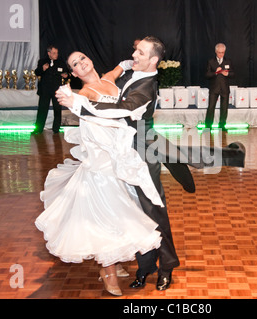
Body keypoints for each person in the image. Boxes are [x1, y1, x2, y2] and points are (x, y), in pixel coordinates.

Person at [57, 36, 180, 291]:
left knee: (153, 210)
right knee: (134, 213)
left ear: (154, 61)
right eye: (134, 50)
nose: (134, 55)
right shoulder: (127, 73)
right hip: (117, 154)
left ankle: (167, 266)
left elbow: (119, 111)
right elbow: (115, 72)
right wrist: (127, 63)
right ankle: (145, 268)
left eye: (140, 53)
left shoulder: (147, 87)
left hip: (142, 155)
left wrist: (78, 104)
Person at [36, 52, 163, 296]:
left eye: (82, 58)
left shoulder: (108, 79)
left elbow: (120, 66)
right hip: (100, 162)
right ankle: (108, 271)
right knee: (107, 213)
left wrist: (132, 62)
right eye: (75, 64)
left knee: (121, 210)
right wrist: (69, 98)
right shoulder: (83, 93)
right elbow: (83, 107)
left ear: (90, 60)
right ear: (73, 73)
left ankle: (113, 260)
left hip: (118, 155)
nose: (81, 63)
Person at [32, 45, 69, 134]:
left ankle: (56, 129)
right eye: (54, 53)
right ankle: (38, 129)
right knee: (42, 109)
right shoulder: (42, 61)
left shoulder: (61, 62)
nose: (56, 55)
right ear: (49, 53)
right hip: (45, 90)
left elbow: (67, 74)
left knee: (57, 109)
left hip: (57, 90)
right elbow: (37, 72)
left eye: (56, 53)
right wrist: (42, 68)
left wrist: (66, 76)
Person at [205, 43, 234, 131]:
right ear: (215, 51)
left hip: (225, 88)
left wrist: (227, 74)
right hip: (214, 88)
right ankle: (208, 126)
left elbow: (233, 74)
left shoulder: (228, 61)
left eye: (222, 52)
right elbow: (207, 75)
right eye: (219, 52)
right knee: (211, 107)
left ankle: (222, 125)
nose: (221, 54)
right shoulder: (211, 61)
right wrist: (215, 73)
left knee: (224, 108)